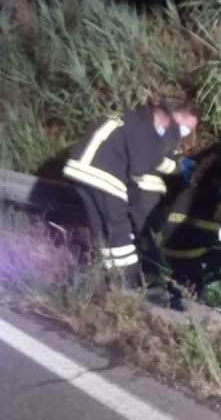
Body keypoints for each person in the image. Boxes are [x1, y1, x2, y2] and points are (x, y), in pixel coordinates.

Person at [63, 100, 200, 287]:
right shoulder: (147, 128)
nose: (185, 132)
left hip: (78, 170)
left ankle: (103, 277)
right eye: (187, 127)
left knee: (102, 232)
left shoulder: (127, 117)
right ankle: (126, 285)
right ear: (163, 118)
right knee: (120, 232)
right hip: (104, 177)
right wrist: (177, 168)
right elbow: (141, 167)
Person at [159, 154, 221, 298]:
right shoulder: (217, 202)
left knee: (184, 275)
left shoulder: (188, 193)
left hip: (168, 249)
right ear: (217, 179)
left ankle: (177, 287)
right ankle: (193, 291)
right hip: (189, 253)